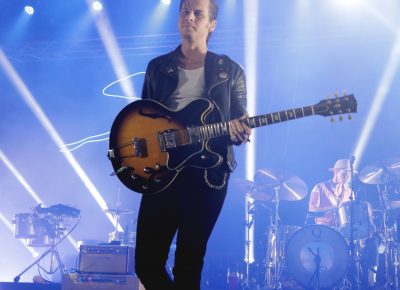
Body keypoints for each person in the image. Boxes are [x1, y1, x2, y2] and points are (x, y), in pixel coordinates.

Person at [134, 0, 251, 289]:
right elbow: (141, 116)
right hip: (162, 171)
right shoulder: (157, 67)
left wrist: (240, 130)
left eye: (198, 12)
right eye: (185, 10)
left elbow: (239, 116)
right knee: (146, 264)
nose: (189, 16)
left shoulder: (230, 70)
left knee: (188, 264)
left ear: (212, 24)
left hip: (207, 173)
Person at [308, 159, 354, 226]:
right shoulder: (320, 188)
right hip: (323, 228)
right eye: (344, 173)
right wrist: (333, 208)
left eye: (349, 174)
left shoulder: (349, 191)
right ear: (335, 172)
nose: (347, 176)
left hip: (342, 229)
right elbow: (311, 209)